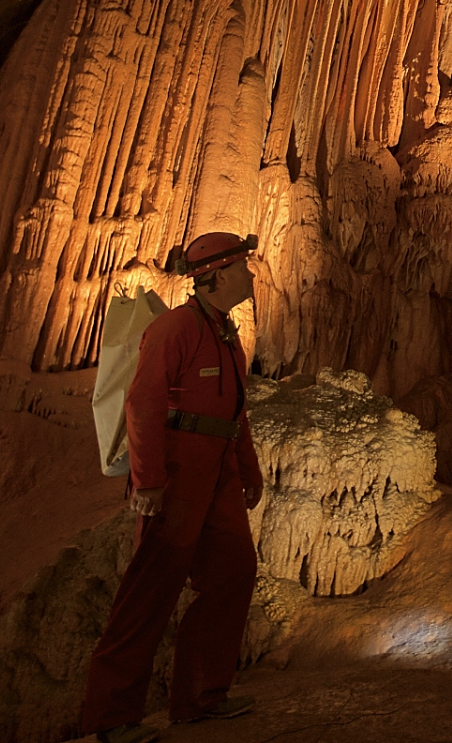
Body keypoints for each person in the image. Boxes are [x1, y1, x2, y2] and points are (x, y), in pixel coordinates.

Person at [80, 232, 265, 743]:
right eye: (245, 267)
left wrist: (247, 470)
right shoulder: (173, 329)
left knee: (233, 571)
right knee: (151, 587)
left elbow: (235, 412)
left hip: (219, 469)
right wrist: (150, 481)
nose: (252, 274)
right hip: (179, 471)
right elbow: (142, 405)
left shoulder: (228, 336)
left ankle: (203, 695)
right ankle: (112, 718)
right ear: (221, 274)